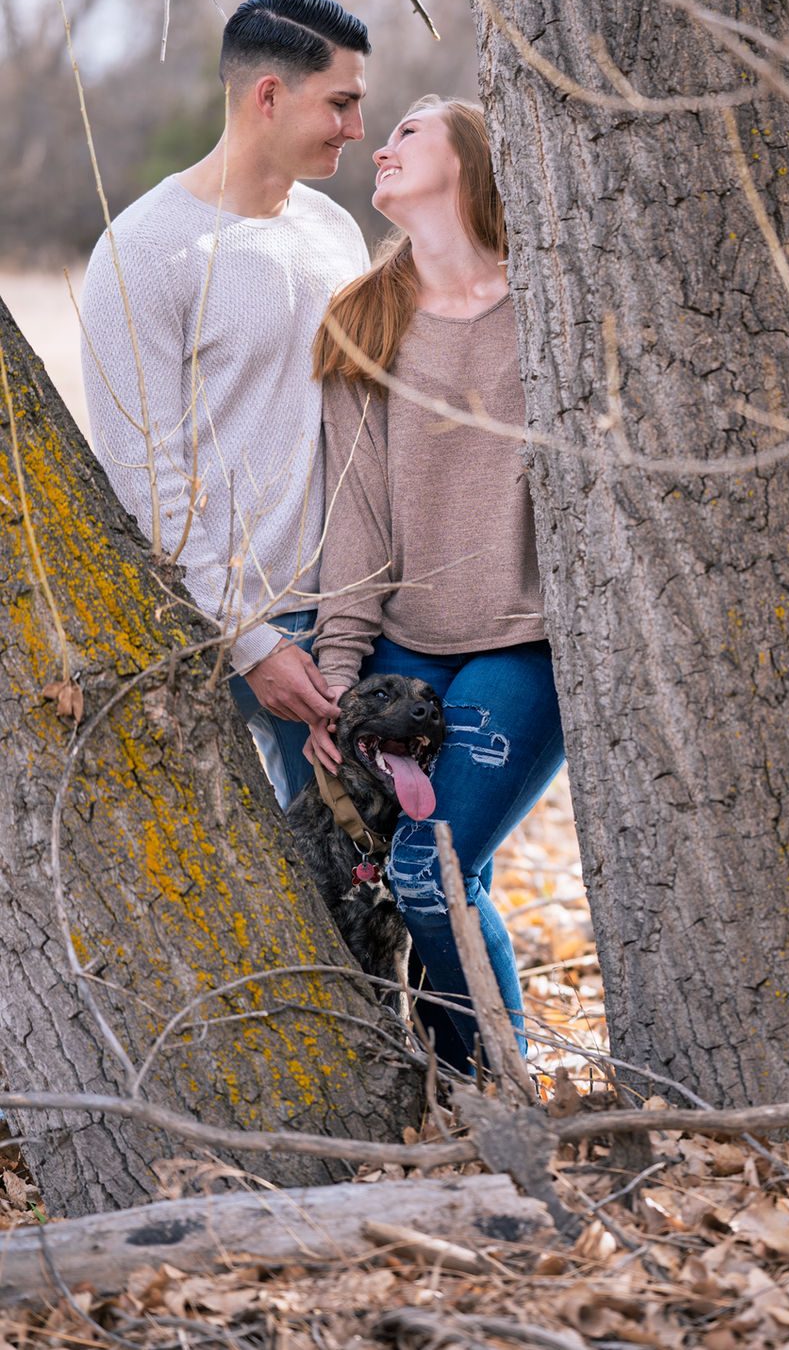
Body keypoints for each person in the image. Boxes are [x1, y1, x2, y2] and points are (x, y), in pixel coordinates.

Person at [307, 96, 565, 1072]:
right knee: (437, 876)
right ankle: (462, 1095)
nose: (380, 144)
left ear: (472, 160)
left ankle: (501, 1098)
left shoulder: (550, 311)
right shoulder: (362, 315)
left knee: (432, 874)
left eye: (409, 131)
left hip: (519, 647)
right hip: (402, 649)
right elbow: (354, 511)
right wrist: (336, 668)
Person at [80, 0, 371, 808]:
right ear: (268, 95)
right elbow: (144, 474)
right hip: (223, 634)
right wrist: (251, 640)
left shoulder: (333, 231)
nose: (355, 129)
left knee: (376, 876)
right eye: (340, 104)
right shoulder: (142, 250)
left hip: (348, 622)